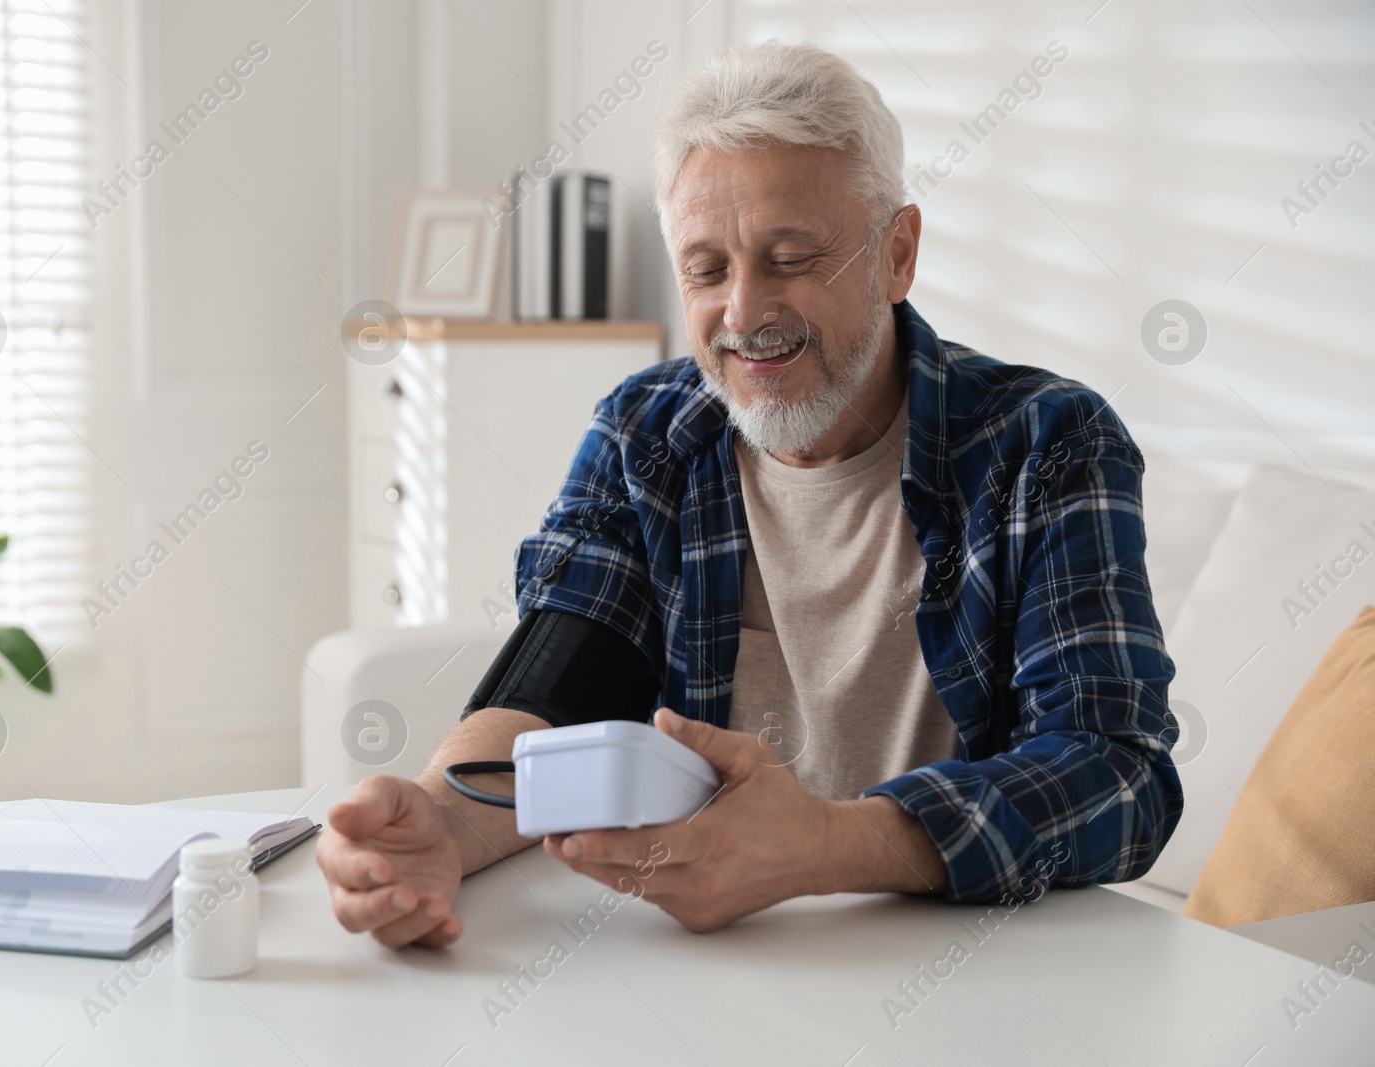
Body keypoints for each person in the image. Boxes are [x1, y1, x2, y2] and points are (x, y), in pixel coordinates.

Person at [316, 40, 1181, 948]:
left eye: (791, 257)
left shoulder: (1045, 442)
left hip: (967, 966)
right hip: (715, 975)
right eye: (707, 269)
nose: (743, 312)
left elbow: (1118, 775)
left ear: (897, 253)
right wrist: (436, 825)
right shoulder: (648, 432)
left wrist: (826, 846)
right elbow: (555, 686)